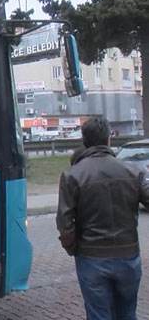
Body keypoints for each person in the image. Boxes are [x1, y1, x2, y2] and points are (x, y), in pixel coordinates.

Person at [56, 117, 149, 320]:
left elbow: (64, 222)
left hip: (91, 257)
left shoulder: (72, 175)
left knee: (98, 315)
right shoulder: (134, 171)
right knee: (127, 313)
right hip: (128, 255)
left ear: (84, 141)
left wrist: (73, 247)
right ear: (109, 139)